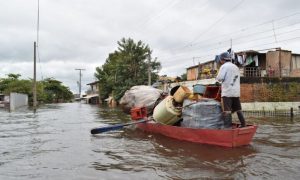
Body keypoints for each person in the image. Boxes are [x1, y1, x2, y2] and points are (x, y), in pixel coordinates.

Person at [215, 52, 246, 128]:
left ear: (222, 60)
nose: (220, 61)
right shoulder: (235, 67)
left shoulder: (224, 66)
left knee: (227, 110)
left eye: (220, 60)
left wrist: (218, 81)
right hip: (236, 92)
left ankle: (228, 128)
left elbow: (219, 78)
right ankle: (243, 124)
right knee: (238, 109)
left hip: (227, 92)